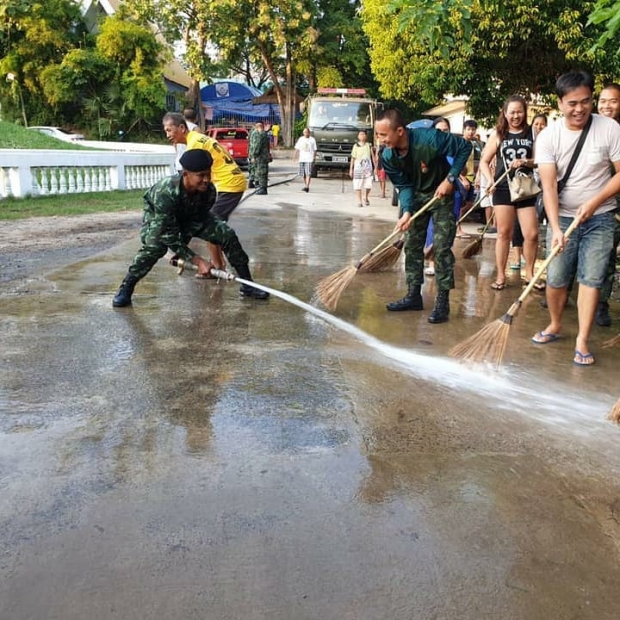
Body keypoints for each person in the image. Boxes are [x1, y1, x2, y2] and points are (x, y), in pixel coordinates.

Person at [532, 71, 620, 365]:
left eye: (585, 101)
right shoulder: (548, 137)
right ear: (559, 103)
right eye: (572, 103)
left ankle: (582, 339)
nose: (580, 109)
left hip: (601, 217)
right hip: (564, 217)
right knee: (556, 277)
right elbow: (548, 187)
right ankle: (556, 324)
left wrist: (594, 203)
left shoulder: (609, 128)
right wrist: (556, 228)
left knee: (591, 279)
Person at [111, 149, 269, 307]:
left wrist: (183, 250)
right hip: (158, 216)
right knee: (155, 247)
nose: (206, 180)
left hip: (190, 215)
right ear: (185, 174)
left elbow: (196, 223)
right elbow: (168, 234)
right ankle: (127, 287)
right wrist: (198, 260)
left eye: (208, 174)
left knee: (226, 234)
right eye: (201, 175)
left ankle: (248, 284)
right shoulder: (165, 192)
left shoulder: (209, 191)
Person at [375, 108, 472, 323]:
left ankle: (442, 302)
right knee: (411, 245)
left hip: (442, 196)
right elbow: (403, 184)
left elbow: (465, 147)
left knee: (441, 248)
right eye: (378, 135)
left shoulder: (430, 139)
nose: (380, 140)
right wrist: (407, 210)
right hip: (417, 196)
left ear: (399, 131)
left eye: (383, 135)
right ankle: (413, 295)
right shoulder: (388, 156)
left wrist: (450, 178)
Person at [162, 112, 247, 271]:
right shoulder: (196, 139)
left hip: (228, 184)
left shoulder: (195, 144)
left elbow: (191, 181)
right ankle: (218, 263)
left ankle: (217, 266)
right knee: (212, 222)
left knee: (211, 225)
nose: (167, 135)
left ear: (181, 127)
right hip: (227, 183)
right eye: (165, 131)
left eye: (169, 130)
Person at [479, 95, 539, 291]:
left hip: (525, 187)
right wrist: (489, 180)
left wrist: (526, 162)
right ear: (505, 113)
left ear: (525, 111)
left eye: (519, 111)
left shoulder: (532, 133)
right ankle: (500, 275)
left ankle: (529, 273)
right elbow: (483, 162)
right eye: (512, 112)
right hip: (503, 187)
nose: (516, 116)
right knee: (504, 233)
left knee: (531, 233)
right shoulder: (498, 135)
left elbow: (539, 160)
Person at [594, 82, 620, 327]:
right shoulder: (589, 128)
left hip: (614, 204)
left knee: (608, 254)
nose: (607, 105)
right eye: (603, 101)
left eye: (613, 101)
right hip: (591, 198)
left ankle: (601, 304)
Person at [511, 113, 548, 270]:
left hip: (544, 186)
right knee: (517, 222)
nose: (539, 127)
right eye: (536, 124)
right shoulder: (528, 141)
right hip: (525, 185)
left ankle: (528, 260)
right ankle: (516, 255)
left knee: (534, 225)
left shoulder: (548, 141)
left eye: (542, 124)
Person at [457, 119, 485, 238]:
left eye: (473, 129)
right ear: (464, 130)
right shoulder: (458, 143)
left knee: (470, 204)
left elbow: (481, 161)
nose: (471, 132)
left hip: (472, 178)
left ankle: (456, 222)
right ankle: (457, 228)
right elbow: (454, 163)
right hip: (461, 178)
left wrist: (478, 177)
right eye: (468, 129)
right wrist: (462, 178)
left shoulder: (477, 145)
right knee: (458, 203)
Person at [349, 130, 374, 207]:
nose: (362, 136)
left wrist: (375, 167)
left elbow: (372, 157)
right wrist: (351, 169)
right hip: (358, 167)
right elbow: (353, 158)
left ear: (366, 136)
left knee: (369, 184)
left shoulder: (369, 145)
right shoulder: (355, 146)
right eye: (360, 134)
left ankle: (366, 197)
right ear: (358, 136)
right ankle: (359, 201)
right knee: (357, 184)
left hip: (367, 168)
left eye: (363, 134)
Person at [248, 122, 270, 194]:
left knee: (262, 172)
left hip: (261, 157)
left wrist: (254, 155)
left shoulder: (261, 134)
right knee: (261, 172)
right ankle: (261, 187)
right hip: (264, 156)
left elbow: (257, 146)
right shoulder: (265, 134)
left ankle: (263, 188)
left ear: (257, 127)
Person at [293, 127, 317, 192]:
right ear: (303, 133)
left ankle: (307, 186)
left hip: (309, 159)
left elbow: (315, 150)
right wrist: (294, 156)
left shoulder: (312, 140)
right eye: (304, 132)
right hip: (302, 159)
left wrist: (314, 158)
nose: (306, 133)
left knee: (308, 173)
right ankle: (306, 185)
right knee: (303, 174)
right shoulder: (301, 139)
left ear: (309, 133)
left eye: (307, 132)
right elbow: (297, 148)